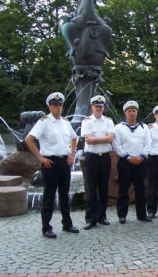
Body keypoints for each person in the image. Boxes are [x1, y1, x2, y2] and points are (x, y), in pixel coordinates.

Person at [25, 92, 79, 238]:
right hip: (50, 163)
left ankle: (67, 224)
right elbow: (29, 139)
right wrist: (41, 158)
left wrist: (72, 154)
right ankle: (46, 227)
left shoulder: (66, 122)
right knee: (49, 195)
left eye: (60, 105)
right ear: (49, 106)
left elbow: (74, 138)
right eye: (55, 105)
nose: (58, 108)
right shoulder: (44, 122)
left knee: (64, 194)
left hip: (64, 162)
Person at [113, 101, 151, 224]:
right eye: (129, 111)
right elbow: (116, 145)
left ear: (137, 112)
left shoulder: (144, 127)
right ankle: (122, 215)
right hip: (125, 162)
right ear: (125, 113)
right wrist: (128, 157)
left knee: (140, 189)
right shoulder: (118, 128)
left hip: (141, 162)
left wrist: (141, 156)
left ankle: (142, 214)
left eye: (134, 111)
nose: (132, 113)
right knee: (123, 190)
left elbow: (148, 143)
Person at [81, 95, 115, 230]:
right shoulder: (86, 121)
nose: (98, 108)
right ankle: (91, 219)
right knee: (91, 189)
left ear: (103, 108)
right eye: (96, 106)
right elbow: (88, 140)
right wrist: (105, 138)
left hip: (105, 157)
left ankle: (102, 216)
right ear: (92, 107)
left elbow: (110, 139)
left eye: (101, 106)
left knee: (103, 188)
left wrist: (97, 138)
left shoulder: (108, 121)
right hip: (91, 158)